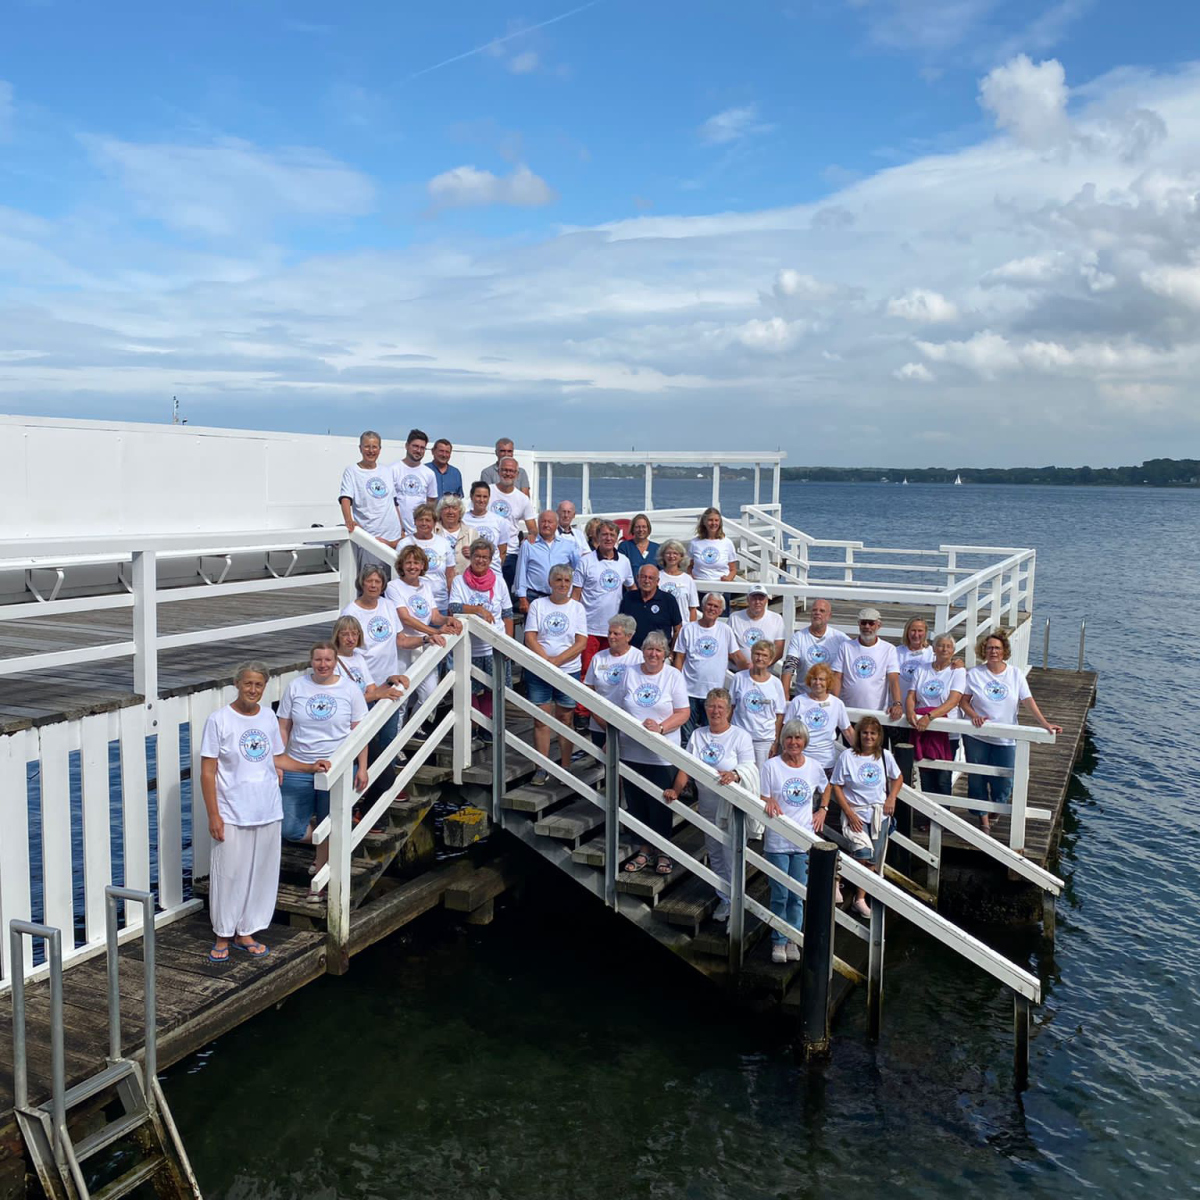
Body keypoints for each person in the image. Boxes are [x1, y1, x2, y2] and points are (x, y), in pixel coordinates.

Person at [200, 662, 330, 963]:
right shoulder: (219, 720)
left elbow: (277, 759)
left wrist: (309, 766)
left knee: (261, 874)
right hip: (232, 811)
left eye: (258, 685)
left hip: (267, 809)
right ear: (237, 683)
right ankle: (223, 932)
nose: (253, 690)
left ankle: (246, 931)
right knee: (228, 874)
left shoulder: (269, 717)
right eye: (248, 684)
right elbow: (208, 773)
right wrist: (213, 815)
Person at [277, 642, 368, 895]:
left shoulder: (349, 689)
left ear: (335, 661)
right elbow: (283, 727)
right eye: (318, 660)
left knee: (330, 819)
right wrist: (279, 761)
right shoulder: (296, 686)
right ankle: (325, 849)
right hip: (299, 764)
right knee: (291, 829)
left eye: (328, 660)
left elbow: (359, 732)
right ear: (311, 661)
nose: (323, 664)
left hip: (335, 766)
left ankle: (320, 875)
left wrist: (362, 767)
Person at [663, 687, 755, 922]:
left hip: (731, 806)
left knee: (732, 853)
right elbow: (686, 766)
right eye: (711, 706)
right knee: (714, 852)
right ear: (705, 708)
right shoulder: (697, 734)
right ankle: (724, 898)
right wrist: (676, 789)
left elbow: (749, 767)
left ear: (729, 710)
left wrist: (734, 774)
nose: (715, 711)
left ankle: (736, 901)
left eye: (720, 707)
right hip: (706, 803)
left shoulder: (740, 736)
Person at [959, 630, 1061, 832]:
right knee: (977, 778)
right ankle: (984, 821)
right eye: (989, 648)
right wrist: (973, 715)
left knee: (1005, 782)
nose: (993, 651)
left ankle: (996, 808)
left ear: (1004, 650)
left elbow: (1028, 701)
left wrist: (1045, 724)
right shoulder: (974, 674)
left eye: (997, 648)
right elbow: (964, 702)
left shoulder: (1015, 674)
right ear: (983, 651)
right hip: (976, 736)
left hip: (1006, 739)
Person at [619, 631, 690, 876]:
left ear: (665, 654)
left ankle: (663, 851)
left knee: (660, 804)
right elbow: (618, 707)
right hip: (631, 751)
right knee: (636, 802)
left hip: (661, 753)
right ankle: (644, 849)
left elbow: (683, 712)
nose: (653, 654)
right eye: (649, 649)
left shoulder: (673, 676)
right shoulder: (631, 672)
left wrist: (661, 728)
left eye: (659, 650)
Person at [340, 565, 421, 777]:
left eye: (378, 582)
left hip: (388, 683)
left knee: (388, 737)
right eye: (369, 581)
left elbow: (401, 640)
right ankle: (361, 788)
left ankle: (387, 782)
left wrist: (427, 638)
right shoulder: (351, 611)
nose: (374, 585)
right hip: (363, 687)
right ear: (362, 583)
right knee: (364, 741)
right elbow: (348, 649)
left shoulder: (387, 605)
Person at [761, 722, 829, 962]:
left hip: (803, 841)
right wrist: (767, 801)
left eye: (798, 738)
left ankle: (793, 939)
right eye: (789, 738)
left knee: (797, 895)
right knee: (779, 893)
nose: (793, 743)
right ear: (783, 740)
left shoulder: (813, 766)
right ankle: (778, 941)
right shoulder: (771, 766)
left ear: (805, 742)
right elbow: (763, 795)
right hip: (777, 840)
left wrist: (822, 809)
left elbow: (827, 787)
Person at [830, 715, 903, 917]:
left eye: (872, 733)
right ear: (859, 734)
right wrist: (849, 812)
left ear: (878, 735)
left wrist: (892, 798)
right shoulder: (847, 757)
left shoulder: (885, 756)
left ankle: (859, 898)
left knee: (873, 860)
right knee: (862, 851)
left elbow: (898, 778)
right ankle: (838, 877)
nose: (868, 737)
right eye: (864, 733)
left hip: (879, 814)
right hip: (856, 812)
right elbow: (836, 785)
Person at [524, 565, 588, 784]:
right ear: (550, 582)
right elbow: (530, 636)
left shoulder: (577, 608)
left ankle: (566, 766)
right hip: (539, 670)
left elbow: (581, 642)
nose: (562, 584)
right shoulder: (538, 605)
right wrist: (546, 662)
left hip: (568, 670)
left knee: (565, 718)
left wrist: (557, 662)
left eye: (567, 581)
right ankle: (541, 767)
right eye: (558, 580)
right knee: (541, 720)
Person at [448, 538, 515, 733]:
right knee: (469, 689)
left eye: (485, 557)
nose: (481, 560)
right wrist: (477, 609)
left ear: (491, 559)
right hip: (470, 646)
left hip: (494, 645)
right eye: (477, 556)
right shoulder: (460, 581)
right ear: (471, 557)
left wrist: (508, 643)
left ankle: (485, 726)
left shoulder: (499, 581)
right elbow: (454, 607)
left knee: (492, 689)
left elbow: (508, 614)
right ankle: (475, 724)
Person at [571, 520, 635, 721]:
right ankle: (583, 712)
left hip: (614, 629)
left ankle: (609, 711)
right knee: (587, 671)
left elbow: (632, 589)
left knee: (612, 674)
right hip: (589, 627)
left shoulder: (623, 561)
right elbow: (576, 594)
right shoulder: (586, 561)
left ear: (617, 538)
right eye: (604, 534)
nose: (608, 538)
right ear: (597, 537)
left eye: (612, 535)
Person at [386, 544, 462, 711]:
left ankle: (417, 729)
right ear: (401, 566)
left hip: (424, 645)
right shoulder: (393, 586)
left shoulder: (425, 586)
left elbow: (434, 616)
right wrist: (435, 631)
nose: (412, 566)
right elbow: (405, 618)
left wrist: (448, 619)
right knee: (400, 697)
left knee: (430, 693)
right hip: (403, 646)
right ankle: (398, 735)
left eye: (416, 562)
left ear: (422, 566)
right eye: (408, 563)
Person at [905, 633, 966, 799]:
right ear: (934, 648)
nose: (944, 649)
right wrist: (910, 711)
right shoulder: (922, 669)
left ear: (953, 650)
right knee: (926, 775)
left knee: (943, 778)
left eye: (948, 646)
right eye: (940, 645)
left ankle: (942, 819)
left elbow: (953, 700)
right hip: (923, 729)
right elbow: (911, 695)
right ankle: (927, 820)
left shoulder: (957, 671)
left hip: (947, 733)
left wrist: (929, 717)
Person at [672, 592, 737, 740]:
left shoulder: (725, 630)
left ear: (721, 611)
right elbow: (679, 657)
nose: (712, 609)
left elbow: (736, 656)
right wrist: (676, 683)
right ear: (703, 606)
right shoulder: (688, 629)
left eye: (716, 606)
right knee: (686, 736)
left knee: (713, 734)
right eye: (709, 604)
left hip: (714, 694)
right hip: (689, 692)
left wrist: (753, 669)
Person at [338, 430, 402, 574]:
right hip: (371, 537)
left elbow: (393, 502)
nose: (371, 451)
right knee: (372, 583)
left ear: (380, 449)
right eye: (367, 447)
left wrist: (402, 529)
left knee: (393, 585)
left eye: (374, 447)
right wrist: (349, 520)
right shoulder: (352, 471)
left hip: (393, 536)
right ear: (360, 448)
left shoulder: (386, 470)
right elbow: (345, 498)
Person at [831, 607, 902, 725]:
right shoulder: (845, 647)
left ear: (878, 625)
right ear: (859, 624)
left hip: (877, 714)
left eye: (871, 623)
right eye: (863, 623)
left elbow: (894, 680)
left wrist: (897, 703)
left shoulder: (889, 649)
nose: (867, 627)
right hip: (848, 712)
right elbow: (837, 677)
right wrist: (834, 702)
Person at [582, 614, 643, 747]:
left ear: (629, 636)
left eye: (616, 634)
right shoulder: (598, 657)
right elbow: (589, 689)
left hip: (629, 725)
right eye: (609, 632)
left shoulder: (638, 658)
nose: (611, 637)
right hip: (599, 722)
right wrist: (599, 718)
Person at [783, 663, 854, 776]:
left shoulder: (837, 703)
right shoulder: (798, 701)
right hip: (800, 760)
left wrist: (863, 752)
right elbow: (786, 730)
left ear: (828, 682)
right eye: (814, 679)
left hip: (826, 762)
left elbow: (848, 731)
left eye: (822, 679)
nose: (817, 682)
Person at [730, 639, 787, 776]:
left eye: (764, 655)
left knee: (760, 777)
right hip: (740, 736)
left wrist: (776, 741)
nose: (760, 658)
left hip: (763, 740)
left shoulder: (776, 683)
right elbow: (731, 706)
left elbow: (779, 714)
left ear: (771, 659)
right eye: (757, 654)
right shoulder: (739, 678)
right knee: (738, 774)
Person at [780, 598, 849, 700]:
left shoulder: (841, 639)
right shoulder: (798, 637)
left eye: (822, 611)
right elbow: (789, 666)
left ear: (829, 616)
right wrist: (784, 695)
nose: (817, 613)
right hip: (803, 698)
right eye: (814, 610)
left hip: (830, 699)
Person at [331, 615, 408, 704]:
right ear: (337, 636)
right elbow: (344, 700)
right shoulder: (332, 662)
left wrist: (389, 681)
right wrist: (378, 695)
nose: (351, 639)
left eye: (354, 634)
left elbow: (372, 690)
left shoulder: (358, 657)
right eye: (345, 634)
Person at [515, 510, 581, 613]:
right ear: (538, 524)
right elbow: (521, 572)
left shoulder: (569, 545)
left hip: (561, 597)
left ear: (557, 524)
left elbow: (578, 571)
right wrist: (522, 598)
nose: (546, 525)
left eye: (550, 522)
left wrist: (574, 594)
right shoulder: (528, 544)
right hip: (534, 597)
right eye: (543, 521)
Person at [488, 458, 537, 592]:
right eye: (504, 470)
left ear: (517, 474)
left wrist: (530, 538)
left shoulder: (522, 499)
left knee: (503, 592)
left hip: (510, 553)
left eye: (511, 471)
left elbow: (533, 529)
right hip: (484, 551)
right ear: (498, 471)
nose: (508, 474)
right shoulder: (487, 492)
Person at [398, 503, 455, 615]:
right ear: (415, 522)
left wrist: (451, 602)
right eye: (420, 520)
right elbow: (400, 574)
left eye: (428, 520)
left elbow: (450, 575)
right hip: (413, 604)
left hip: (440, 604)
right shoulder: (404, 544)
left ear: (434, 523)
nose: (424, 523)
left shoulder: (444, 543)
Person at [619, 564, 683, 650]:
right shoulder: (628, 597)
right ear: (637, 578)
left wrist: (672, 654)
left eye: (651, 578)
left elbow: (678, 629)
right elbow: (621, 626)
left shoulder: (668, 600)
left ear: (657, 581)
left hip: (658, 654)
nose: (646, 581)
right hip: (632, 653)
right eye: (643, 577)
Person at [391, 429, 439, 535]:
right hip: (396, 532)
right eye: (415, 446)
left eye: (422, 448)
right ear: (407, 446)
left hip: (420, 532)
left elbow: (431, 503)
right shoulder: (392, 470)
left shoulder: (429, 474)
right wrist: (400, 527)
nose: (418, 450)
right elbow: (390, 502)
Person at [729, 586, 785, 669]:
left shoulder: (777, 619)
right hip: (738, 671)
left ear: (766, 600)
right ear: (747, 600)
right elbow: (727, 646)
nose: (757, 602)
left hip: (765, 672)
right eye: (754, 598)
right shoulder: (734, 617)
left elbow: (779, 650)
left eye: (761, 598)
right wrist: (743, 664)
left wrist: (762, 665)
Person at [462, 482, 507, 570]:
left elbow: (503, 551)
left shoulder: (499, 520)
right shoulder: (462, 519)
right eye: (478, 496)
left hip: (493, 572)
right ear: (471, 497)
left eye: (485, 497)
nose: (482, 500)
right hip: (468, 572)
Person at [688, 507, 738, 583]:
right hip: (699, 586)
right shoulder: (694, 542)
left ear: (720, 522)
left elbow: (733, 569)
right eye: (710, 520)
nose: (714, 523)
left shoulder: (727, 542)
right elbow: (690, 566)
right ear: (704, 522)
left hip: (721, 586)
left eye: (716, 520)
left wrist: (728, 578)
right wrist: (690, 577)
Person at [657, 540, 699, 625]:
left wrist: (691, 629)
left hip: (683, 627)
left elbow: (692, 609)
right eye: (668, 553)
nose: (671, 556)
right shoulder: (657, 576)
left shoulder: (688, 579)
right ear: (663, 556)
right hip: (661, 626)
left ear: (681, 556)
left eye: (675, 553)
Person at [897, 616, 934, 697]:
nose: (916, 634)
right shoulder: (897, 652)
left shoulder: (933, 652)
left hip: (921, 704)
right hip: (898, 703)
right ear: (907, 631)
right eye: (913, 630)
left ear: (925, 632)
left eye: (920, 631)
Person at [435, 494, 470, 574]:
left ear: (460, 512)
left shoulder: (471, 533)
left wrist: (474, 554)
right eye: (446, 508)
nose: (450, 512)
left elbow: (482, 557)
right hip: (438, 581)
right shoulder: (432, 531)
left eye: (454, 508)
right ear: (440, 512)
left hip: (464, 581)